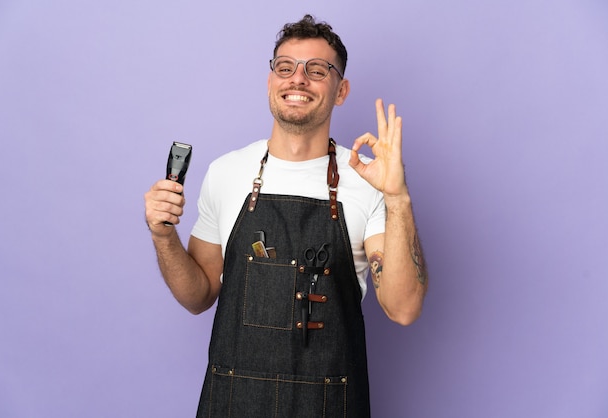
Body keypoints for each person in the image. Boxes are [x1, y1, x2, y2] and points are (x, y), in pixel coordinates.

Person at [144, 14, 428, 418]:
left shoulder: (369, 180)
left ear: (341, 89)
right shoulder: (227, 172)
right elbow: (198, 295)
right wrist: (162, 236)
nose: (298, 79)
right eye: (285, 67)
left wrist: (397, 198)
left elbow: (403, 308)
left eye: (317, 70)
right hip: (232, 404)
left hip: (329, 405)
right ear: (270, 81)